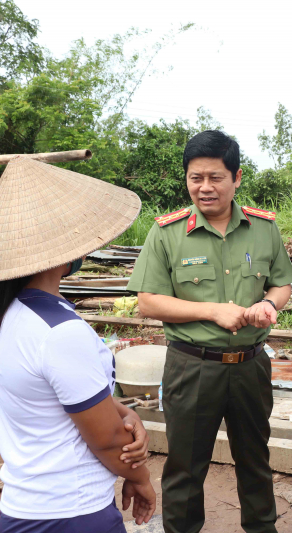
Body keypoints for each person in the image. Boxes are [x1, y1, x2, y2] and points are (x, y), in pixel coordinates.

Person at [127, 130, 292, 533]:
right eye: (195, 178)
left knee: (255, 460)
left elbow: (283, 283)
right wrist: (213, 311)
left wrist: (269, 304)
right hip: (192, 367)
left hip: (250, 367)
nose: (204, 188)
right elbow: (148, 301)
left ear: (236, 177)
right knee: (186, 465)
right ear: (186, 179)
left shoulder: (263, 228)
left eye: (215, 177)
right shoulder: (166, 232)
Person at [0, 157, 155, 532]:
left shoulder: (13, 316)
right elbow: (106, 441)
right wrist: (141, 478)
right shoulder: (61, 332)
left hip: (23, 505)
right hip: (72, 511)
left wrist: (117, 408)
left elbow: (46, 396)